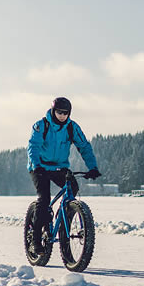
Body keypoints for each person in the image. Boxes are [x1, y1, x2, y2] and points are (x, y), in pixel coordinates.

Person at [26, 97, 102, 243]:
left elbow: (84, 147)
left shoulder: (71, 127)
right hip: (39, 167)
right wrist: (36, 165)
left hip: (59, 167)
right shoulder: (41, 126)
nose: (62, 115)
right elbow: (33, 147)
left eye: (65, 113)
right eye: (59, 112)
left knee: (72, 187)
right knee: (44, 200)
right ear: (53, 111)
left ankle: (63, 221)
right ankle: (35, 238)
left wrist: (93, 167)